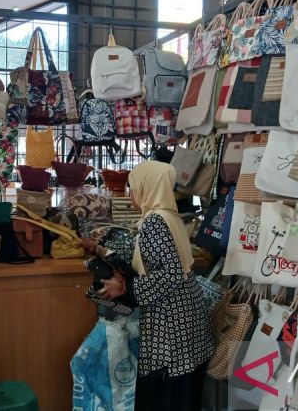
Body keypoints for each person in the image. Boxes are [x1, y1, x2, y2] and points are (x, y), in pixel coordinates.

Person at [100, 160, 212, 411]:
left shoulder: (154, 221)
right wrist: (102, 247)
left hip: (171, 321)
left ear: (146, 187)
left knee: (165, 390)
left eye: (133, 187)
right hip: (187, 314)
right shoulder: (169, 215)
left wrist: (128, 289)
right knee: (184, 389)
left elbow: (171, 273)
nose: (131, 194)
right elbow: (157, 257)